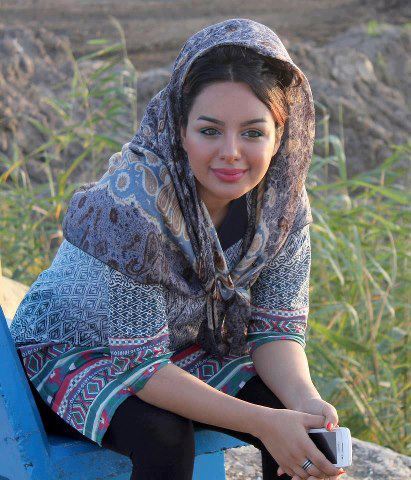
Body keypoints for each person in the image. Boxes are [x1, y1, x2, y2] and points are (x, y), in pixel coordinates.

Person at [9, 18, 346, 480]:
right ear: (180, 127)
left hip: (177, 349)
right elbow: (142, 368)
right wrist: (265, 424)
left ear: (279, 133)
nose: (231, 152)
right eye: (210, 131)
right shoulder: (133, 207)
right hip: (70, 354)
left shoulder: (282, 205)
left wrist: (305, 403)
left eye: (253, 132)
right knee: (165, 436)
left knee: (298, 422)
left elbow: (275, 330)